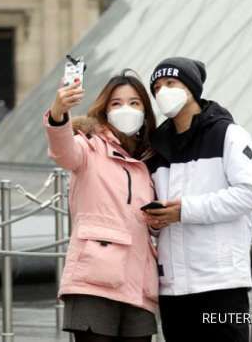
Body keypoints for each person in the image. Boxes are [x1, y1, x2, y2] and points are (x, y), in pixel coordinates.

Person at [143, 57, 252, 342]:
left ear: (191, 87)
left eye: (171, 83)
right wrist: (156, 221)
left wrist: (185, 210)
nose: (163, 91)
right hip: (172, 288)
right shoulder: (156, 147)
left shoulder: (228, 135)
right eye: (157, 87)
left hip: (220, 283)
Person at [44, 71, 159, 342]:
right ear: (105, 110)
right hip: (94, 282)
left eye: (134, 103)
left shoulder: (151, 158)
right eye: (116, 103)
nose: (125, 109)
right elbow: (63, 150)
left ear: (145, 110)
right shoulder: (89, 146)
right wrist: (59, 113)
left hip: (139, 286)